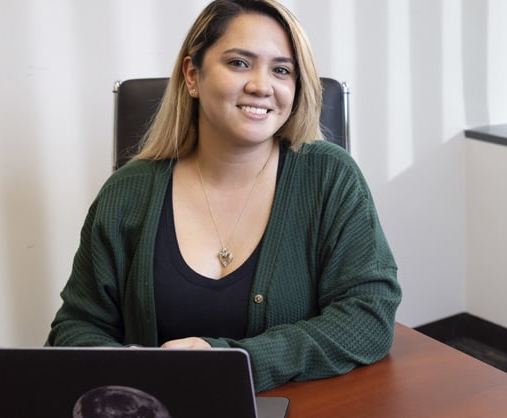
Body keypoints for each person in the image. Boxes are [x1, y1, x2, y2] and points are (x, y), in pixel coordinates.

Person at [47, 0, 401, 393]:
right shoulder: (127, 192)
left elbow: (369, 314)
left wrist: (235, 362)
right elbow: (76, 326)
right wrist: (130, 370)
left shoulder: (330, 177)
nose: (261, 86)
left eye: (281, 70)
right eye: (239, 63)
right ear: (192, 75)